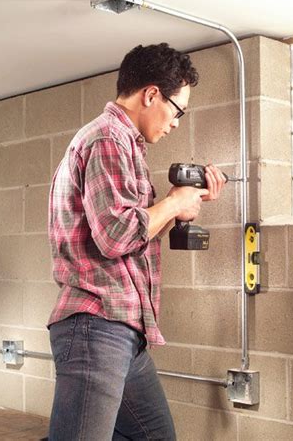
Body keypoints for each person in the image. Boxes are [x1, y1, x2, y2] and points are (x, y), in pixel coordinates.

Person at [47, 43, 226, 440]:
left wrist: (178, 209)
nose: (176, 123)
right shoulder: (107, 138)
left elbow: (128, 236)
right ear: (150, 94)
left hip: (122, 329)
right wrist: (173, 202)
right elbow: (116, 236)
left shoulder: (124, 144)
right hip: (97, 324)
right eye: (177, 110)